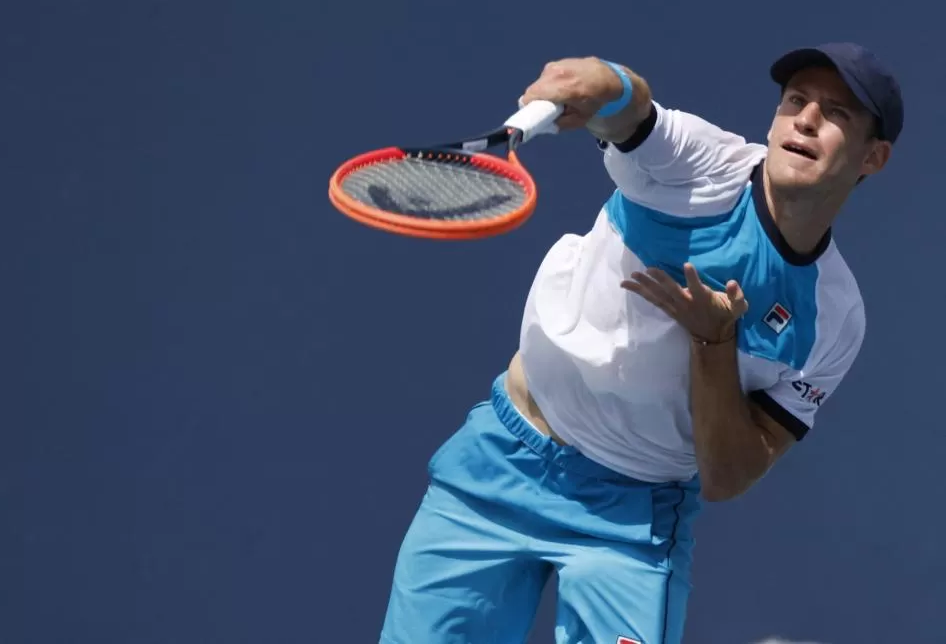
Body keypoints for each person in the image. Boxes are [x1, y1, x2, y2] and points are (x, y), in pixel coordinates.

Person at [378, 42, 903, 644]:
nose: (806, 120)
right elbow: (632, 112)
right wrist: (603, 82)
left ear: (874, 157)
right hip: (500, 463)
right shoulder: (707, 165)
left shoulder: (835, 317)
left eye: (835, 113)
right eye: (796, 101)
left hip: (631, 521)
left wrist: (714, 344)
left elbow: (729, 475)